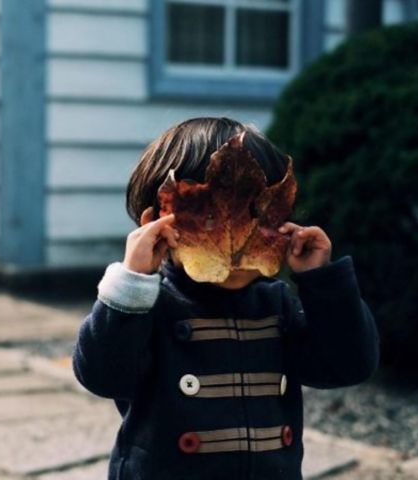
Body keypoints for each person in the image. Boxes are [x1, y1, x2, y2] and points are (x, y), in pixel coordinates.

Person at [72, 117, 379, 480]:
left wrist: (321, 281)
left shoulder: (277, 304)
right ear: (158, 223)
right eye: (208, 217)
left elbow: (347, 365)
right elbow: (102, 376)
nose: (235, 235)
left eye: (256, 214)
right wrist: (131, 282)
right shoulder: (149, 305)